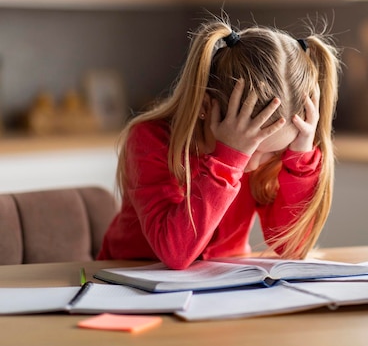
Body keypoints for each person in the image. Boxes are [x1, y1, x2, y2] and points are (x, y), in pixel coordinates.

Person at [98, 16, 341, 270]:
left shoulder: (275, 154)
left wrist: (300, 159)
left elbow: (292, 247)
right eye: (248, 149)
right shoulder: (150, 139)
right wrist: (228, 160)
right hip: (125, 283)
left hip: (218, 288)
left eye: (275, 151)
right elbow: (175, 253)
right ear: (205, 106)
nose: (252, 165)